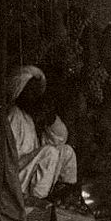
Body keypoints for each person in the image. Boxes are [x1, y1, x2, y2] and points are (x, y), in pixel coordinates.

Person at [7, 66, 77, 200]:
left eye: (37, 92)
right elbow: (10, 157)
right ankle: (38, 199)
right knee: (50, 152)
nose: (35, 96)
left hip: (34, 173)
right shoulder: (14, 115)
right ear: (20, 91)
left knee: (67, 151)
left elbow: (60, 139)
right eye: (31, 91)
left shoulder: (33, 116)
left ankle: (67, 194)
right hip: (18, 178)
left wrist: (50, 119)